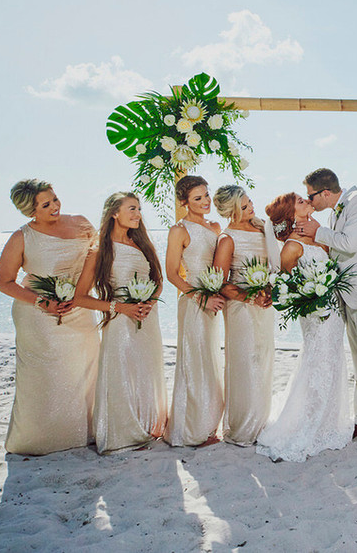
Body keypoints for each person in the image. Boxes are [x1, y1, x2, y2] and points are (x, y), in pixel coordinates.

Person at [295, 168, 357, 449]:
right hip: (351, 295)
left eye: (310, 196)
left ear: (325, 192)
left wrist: (318, 232)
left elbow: (350, 243)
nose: (310, 201)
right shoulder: (333, 213)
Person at [0, 179, 100, 455]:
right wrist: (42, 302)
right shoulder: (22, 237)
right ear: (31, 211)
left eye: (55, 199)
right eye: (46, 204)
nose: (55, 206)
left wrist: (85, 295)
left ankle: (83, 432)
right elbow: (5, 282)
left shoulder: (81, 223)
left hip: (79, 309)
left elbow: (98, 258)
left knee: (85, 368)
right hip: (38, 315)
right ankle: (41, 438)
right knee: (44, 376)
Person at [256, 193, 351, 462]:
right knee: (318, 361)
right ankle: (309, 422)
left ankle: (329, 421)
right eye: (299, 201)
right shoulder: (292, 246)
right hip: (315, 314)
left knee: (332, 360)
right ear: (290, 214)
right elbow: (286, 285)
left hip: (334, 310)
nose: (306, 200)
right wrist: (310, 296)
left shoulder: (320, 233)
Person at [75, 192, 167, 454]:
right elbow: (80, 298)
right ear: (114, 213)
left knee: (146, 371)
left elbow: (158, 280)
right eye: (132, 209)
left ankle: (147, 425)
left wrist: (151, 300)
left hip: (147, 318)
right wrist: (121, 308)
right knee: (122, 374)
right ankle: (123, 431)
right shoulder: (99, 251)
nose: (138, 214)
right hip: (119, 322)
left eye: (139, 209)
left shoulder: (141, 244)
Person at [164, 176, 225, 448]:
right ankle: (191, 430)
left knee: (210, 361)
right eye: (197, 198)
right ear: (184, 202)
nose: (205, 202)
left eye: (206, 195)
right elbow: (171, 274)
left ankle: (209, 424)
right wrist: (201, 298)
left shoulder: (215, 226)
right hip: (194, 302)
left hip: (215, 299)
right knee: (194, 362)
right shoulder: (179, 230)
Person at [213, 185, 276, 447]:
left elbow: (275, 265)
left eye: (250, 201)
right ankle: (243, 426)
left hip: (265, 306)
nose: (251, 207)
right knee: (245, 363)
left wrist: (271, 291)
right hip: (241, 309)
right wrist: (249, 297)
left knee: (264, 361)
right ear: (231, 210)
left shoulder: (264, 228)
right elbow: (220, 282)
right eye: (245, 205)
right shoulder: (228, 239)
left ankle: (261, 420)